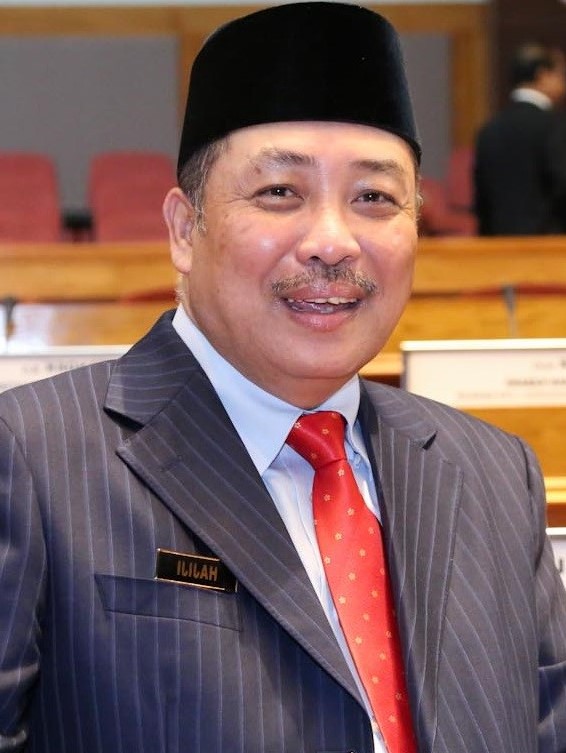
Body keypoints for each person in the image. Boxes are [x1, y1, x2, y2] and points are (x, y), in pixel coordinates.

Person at [0, 4, 565, 752]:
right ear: (184, 229)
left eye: (374, 198)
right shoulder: (31, 457)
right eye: (279, 193)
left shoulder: (495, 472)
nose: (333, 241)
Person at [474, 42, 566, 235]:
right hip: (549, 243)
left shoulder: (489, 130)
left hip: (498, 242)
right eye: (560, 74)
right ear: (543, 75)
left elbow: (482, 200)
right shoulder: (554, 126)